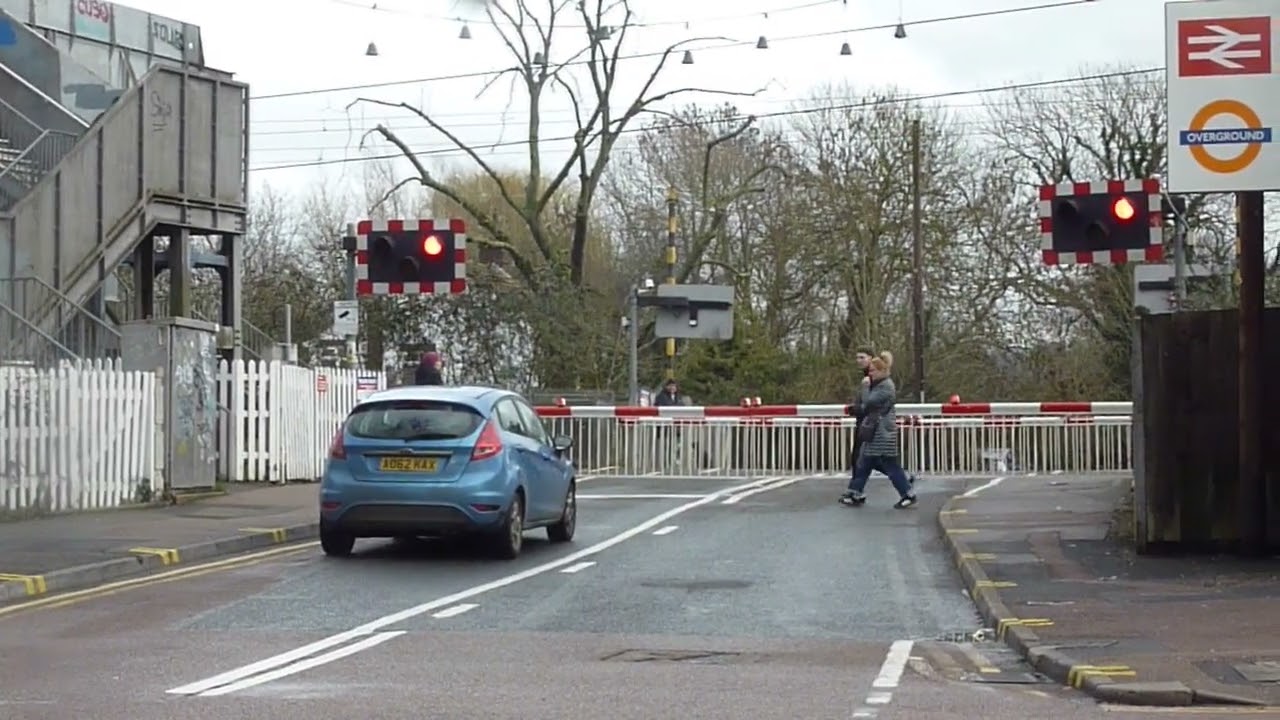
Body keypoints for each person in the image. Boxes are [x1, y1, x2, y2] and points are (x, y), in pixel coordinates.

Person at [840, 351, 918, 509]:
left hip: (882, 432)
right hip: (874, 430)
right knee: (864, 462)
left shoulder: (886, 387)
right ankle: (855, 491)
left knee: (889, 464)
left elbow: (869, 402)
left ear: (882, 371)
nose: (870, 373)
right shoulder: (880, 385)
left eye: (873, 371)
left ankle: (907, 493)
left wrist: (865, 387)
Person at [845, 345, 877, 470]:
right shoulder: (867, 376)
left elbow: (872, 402)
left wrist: (857, 409)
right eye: (857, 358)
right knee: (863, 459)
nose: (858, 360)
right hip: (865, 422)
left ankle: (855, 488)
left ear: (871, 358)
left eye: (862, 357)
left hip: (869, 423)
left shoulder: (873, 377)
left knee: (859, 459)